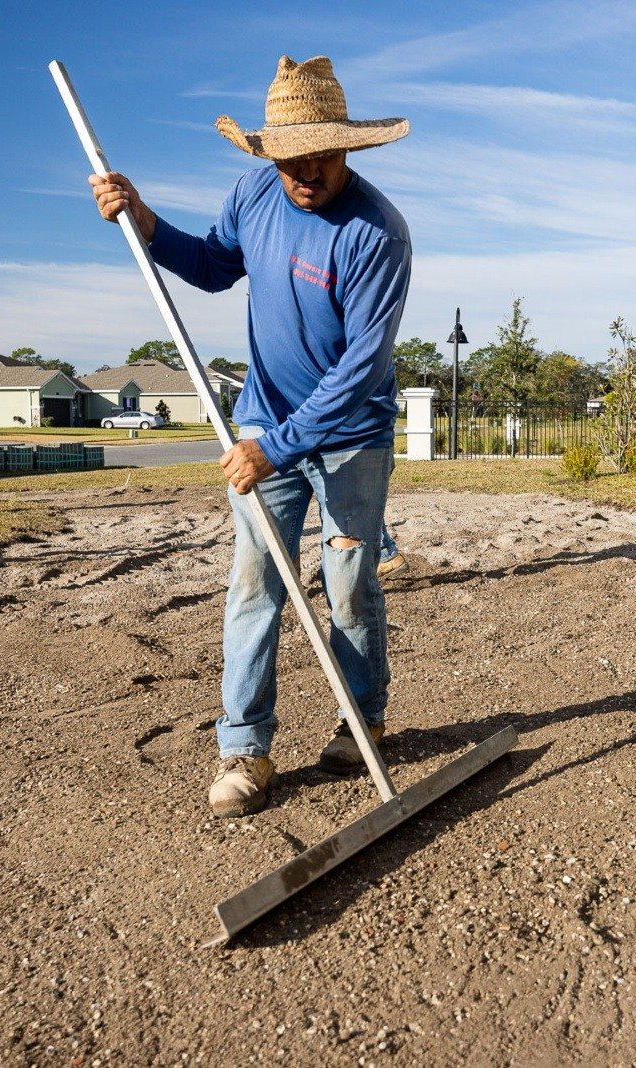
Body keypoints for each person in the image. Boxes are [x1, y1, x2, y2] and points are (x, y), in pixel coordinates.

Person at [90, 55, 411, 817]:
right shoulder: (255, 193)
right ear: (269, 154)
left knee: (348, 586)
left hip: (350, 433)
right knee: (255, 584)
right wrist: (142, 219)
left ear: (348, 149)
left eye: (322, 159)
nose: (306, 175)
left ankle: (359, 721)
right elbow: (207, 265)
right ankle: (245, 748)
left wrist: (282, 442)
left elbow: (362, 369)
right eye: (292, 159)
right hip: (265, 424)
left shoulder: (378, 234)